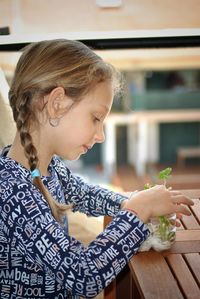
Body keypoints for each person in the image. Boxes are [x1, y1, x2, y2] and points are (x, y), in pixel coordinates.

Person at [0, 39, 193, 299]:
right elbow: (83, 275)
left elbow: (83, 194)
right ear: (56, 103)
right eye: (95, 118)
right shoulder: (12, 193)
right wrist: (138, 211)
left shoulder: (43, 167)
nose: (100, 134)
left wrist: (131, 201)